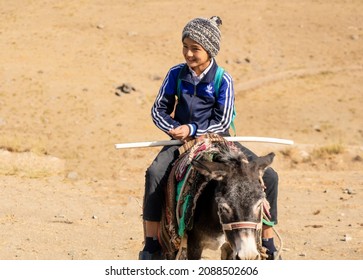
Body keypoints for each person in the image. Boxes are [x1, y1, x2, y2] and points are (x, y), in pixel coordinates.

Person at [139, 16, 280, 260]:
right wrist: (175, 129)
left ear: (210, 50)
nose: (189, 54)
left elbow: (223, 121)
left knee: (269, 176)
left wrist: (192, 129)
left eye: (195, 48)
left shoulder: (222, 79)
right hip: (181, 143)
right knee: (154, 174)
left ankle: (267, 241)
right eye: (185, 46)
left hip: (218, 140)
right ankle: (151, 244)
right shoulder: (175, 73)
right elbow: (158, 111)